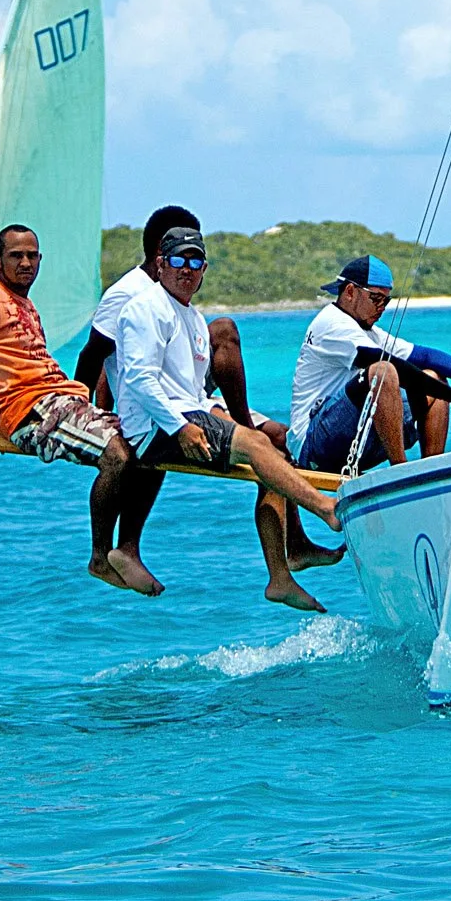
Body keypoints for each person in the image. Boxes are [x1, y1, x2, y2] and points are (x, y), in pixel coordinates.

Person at [111, 223, 345, 611]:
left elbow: (193, 390)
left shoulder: (190, 317)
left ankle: (282, 575)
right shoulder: (145, 308)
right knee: (255, 444)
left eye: (196, 261)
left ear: (204, 269)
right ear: (160, 264)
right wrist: (179, 426)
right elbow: (137, 378)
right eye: (177, 260)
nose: (187, 269)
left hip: (187, 412)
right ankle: (325, 509)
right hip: (156, 427)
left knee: (270, 452)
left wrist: (217, 414)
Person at [0, 224, 160, 597]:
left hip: (62, 400)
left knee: (149, 443)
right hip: (33, 413)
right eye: (16, 255)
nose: (25, 262)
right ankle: (100, 557)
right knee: (117, 456)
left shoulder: (22, 304)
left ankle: (127, 549)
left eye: (32, 255)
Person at [75, 205, 284, 448]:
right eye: (184, 253)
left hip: (188, 388)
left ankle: (247, 434)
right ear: (161, 253)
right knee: (222, 330)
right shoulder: (127, 293)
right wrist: (90, 414)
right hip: (154, 399)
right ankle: (245, 430)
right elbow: (95, 355)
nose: (190, 264)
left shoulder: (175, 295)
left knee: (277, 434)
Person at [289, 256, 451, 475]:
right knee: (382, 371)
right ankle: (399, 472)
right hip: (314, 447)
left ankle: (432, 473)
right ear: (350, 292)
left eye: (387, 300)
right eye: (376, 299)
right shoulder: (331, 324)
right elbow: (392, 366)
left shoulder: (368, 333)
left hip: (353, 444)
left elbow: (423, 355)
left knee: (434, 376)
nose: (382, 308)